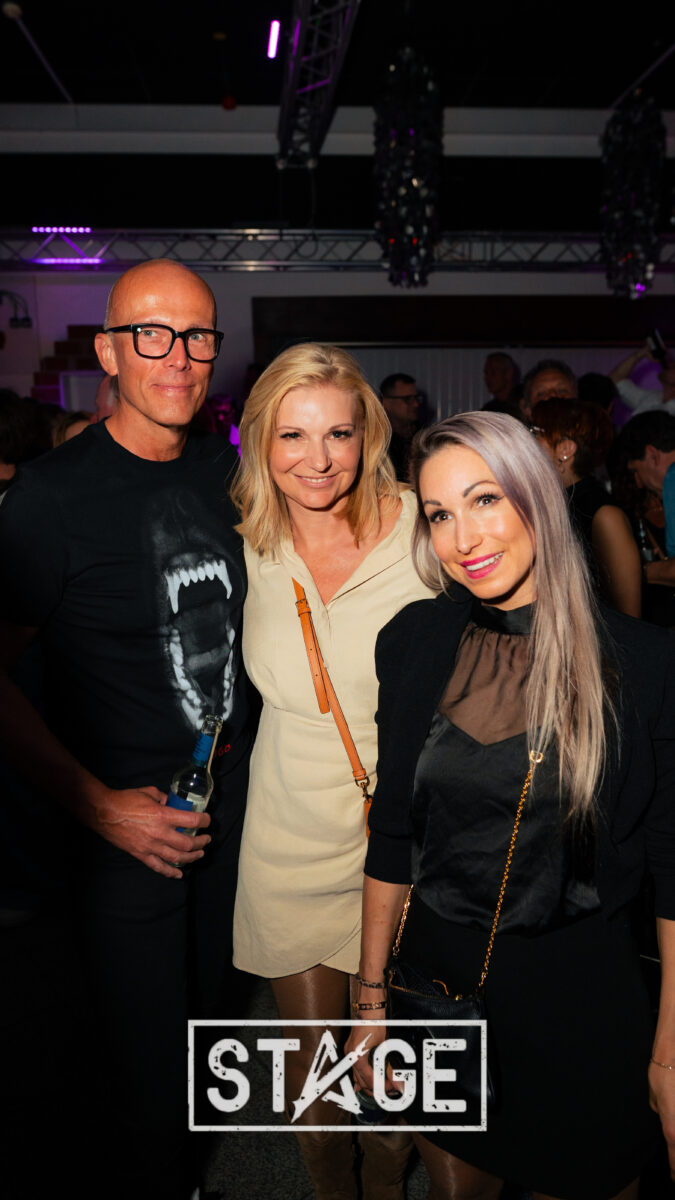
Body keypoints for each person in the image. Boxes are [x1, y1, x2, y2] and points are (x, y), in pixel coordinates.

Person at [347, 411, 675, 1200]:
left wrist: (668, 1051)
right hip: (439, 986)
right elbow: (390, 834)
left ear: (536, 497)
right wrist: (369, 1001)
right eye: (438, 515)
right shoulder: (412, 642)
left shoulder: (644, 664)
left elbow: (671, 868)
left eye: (485, 499)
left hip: (579, 998)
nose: (462, 538)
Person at [0, 258, 255, 1200]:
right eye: (152, 334)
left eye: (196, 336)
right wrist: (102, 808)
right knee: (138, 1070)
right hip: (119, 838)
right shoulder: (49, 497)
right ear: (109, 351)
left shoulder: (233, 475)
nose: (177, 356)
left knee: (209, 1037)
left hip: (231, 825)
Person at [231, 343, 435, 1198]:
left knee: (393, 1095)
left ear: (368, 437)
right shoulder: (245, 538)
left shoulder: (425, 526)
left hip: (410, 841)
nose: (316, 460)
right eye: (292, 435)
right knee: (314, 1094)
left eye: (338, 434)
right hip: (288, 838)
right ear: (260, 441)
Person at [531, 398, 642, 617]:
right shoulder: (550, 503)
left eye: (536, 432)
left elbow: (630, 616)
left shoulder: (605, 515)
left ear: (565, 449)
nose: (527, 441)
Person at [614, 411, 675, 591]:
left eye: (636, 471)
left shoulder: (672, 477)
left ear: (652, 455)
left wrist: (634, 571)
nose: (639, 483)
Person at [609, 342, 675, 417]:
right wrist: (640, 354)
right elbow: (614, 381)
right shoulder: (651, 398)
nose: (671, 364)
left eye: (674, 367)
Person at [379, 372, 422, 481]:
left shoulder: (421, 436)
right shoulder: (377, 441)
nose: (416, 404)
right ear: (386, 403)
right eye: (407, 399)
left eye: (416, 398)